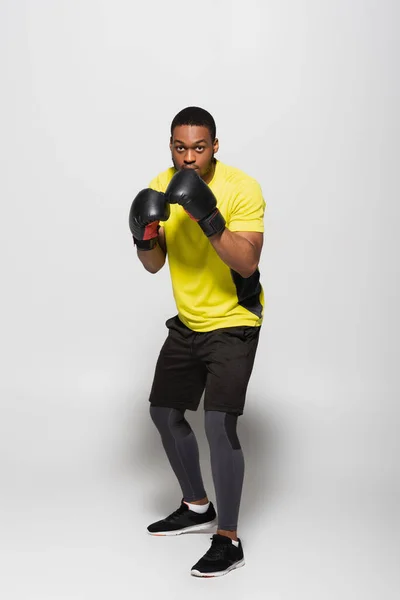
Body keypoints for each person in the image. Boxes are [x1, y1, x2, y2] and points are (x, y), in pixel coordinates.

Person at [129, 106, 266, 578]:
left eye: (199, 147)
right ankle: (196, 505)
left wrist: (206, 215)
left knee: (219, 426)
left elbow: (246, 263)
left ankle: (228, 539)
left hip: (233, 319)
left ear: (215, 146)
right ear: (171, 146)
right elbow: (154, 265)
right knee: (164, 414)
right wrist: (144, 234)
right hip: (189, 322)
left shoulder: (241, 187)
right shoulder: (161, 182)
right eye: (180, 147)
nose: (189, 157)